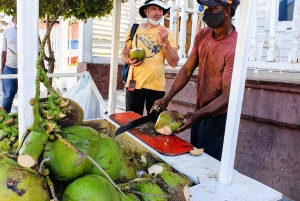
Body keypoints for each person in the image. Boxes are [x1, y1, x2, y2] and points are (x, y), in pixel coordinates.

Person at [153, 0, 240, 161]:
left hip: (217, 118)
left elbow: (227, 96)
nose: (206, 12)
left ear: (226, 12)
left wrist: (197, 115)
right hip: (199, 112)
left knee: (209, 165)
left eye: (212, 8)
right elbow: (187, 69)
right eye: (206, 8)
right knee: (196, 159)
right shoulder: (203, 34)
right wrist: (167, 98)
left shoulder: (234, 48)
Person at [121, 0, 179, 116]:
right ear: (145, 11)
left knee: (153, 125)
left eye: (160, 10)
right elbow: (124, 54)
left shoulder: (167, 33)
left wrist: (165, 43)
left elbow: (174, 62)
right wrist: (129, 61)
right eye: (154, 9)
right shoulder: (134, 30)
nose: (158, 13)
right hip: (135, 85)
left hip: (156, 86)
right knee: (132, 122)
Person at [1, 17, 17, 113]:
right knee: (7, 97)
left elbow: (38, 53)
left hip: (28, 69)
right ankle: (3, 121)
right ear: (13, 20)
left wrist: (43, 69)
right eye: (16, 18)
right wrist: (2, 71)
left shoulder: (31, 31)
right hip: (9, 68)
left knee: (29, 97)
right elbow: (4, 52)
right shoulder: (8, 31)